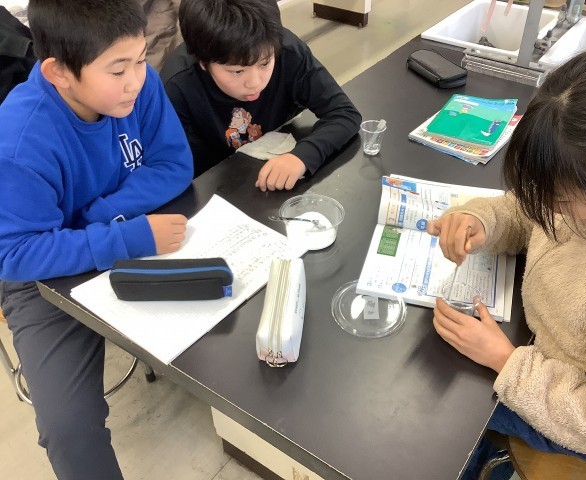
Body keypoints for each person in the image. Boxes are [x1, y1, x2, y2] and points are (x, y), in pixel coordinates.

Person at [0, 0, 193, 478]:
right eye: (118, 70)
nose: (136, 80)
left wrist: (103, 218)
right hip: (45, 274)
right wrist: (124, 237)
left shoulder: (138, 86)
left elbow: (174, 163)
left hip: (121, 231)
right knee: (69, 428)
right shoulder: (20, 139)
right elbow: (15, 253)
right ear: (59, 73)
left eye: (141, 60)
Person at [427, 48, 586, 476]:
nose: (546, 206)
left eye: (560, 199)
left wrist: (507, 363)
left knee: (443, 412)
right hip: (530, 340)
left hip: (566, 405)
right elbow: (529, 213)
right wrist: (482, 221)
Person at [161, 0, 362, 188]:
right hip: (219, 183)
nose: (255, 83)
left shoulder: (286, 50)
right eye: (237, 71)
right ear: (204, 64)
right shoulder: (177, 86)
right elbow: (174, 169)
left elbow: (344, 113)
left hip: (280, 162)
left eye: (265, 64)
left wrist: (302, 156)